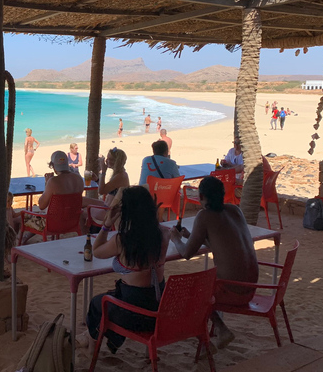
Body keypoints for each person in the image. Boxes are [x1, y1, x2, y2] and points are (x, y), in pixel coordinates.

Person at [79, 186, 171, 355]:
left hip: (133, 314)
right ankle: (113, 340)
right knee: (112, 297)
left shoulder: (122, 240)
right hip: (158, 310)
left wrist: (106, 224)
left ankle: (93, 351)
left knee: (96, 304)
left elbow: (96, 251)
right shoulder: (164, 234)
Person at [170, 176, 258, 349]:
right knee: (201, 288)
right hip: (251, 289)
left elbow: (187, 253)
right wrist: (192, 236)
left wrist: (176, 239)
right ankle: (218, 328)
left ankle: (216, 333)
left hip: (232, 291)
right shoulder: (235, 210)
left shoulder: (204, 215)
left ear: (201, 196)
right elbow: (223, 245)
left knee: (190, 292)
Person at [22, 151, 84, 240]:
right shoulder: (79, 179)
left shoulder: (53, 182)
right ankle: (27, 237)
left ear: (53, 167)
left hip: (53, 224)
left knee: (24, 216)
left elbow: (42, 205)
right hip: (72, 222)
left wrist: (47, 184)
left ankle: (20, 240)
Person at [81, 148, 129, 233]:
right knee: (81, 200)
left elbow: (101, 191)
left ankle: (85, 238)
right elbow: (108, 189)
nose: (106, 161)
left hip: (109, 211)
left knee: (81, 212)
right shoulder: (121, 174)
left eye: (110, 159)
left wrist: (103, 172)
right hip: (109, 206)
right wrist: (97, 180)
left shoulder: (120, 176)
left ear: (116, 162)